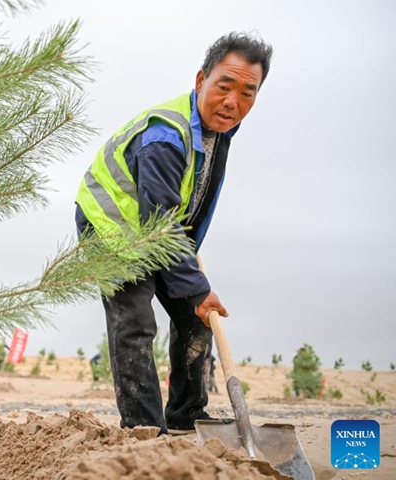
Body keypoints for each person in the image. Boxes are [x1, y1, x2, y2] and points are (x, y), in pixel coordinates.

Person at [74, 32, 272, 434]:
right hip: (112, 229)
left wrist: (194, 288)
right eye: (224, 86)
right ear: (201, 80)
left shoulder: (217, 133)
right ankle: (143, 428)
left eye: (248, 93)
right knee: (135, 322)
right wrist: (197, 286)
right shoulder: (166, 137)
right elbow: (161, 220)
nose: (234, 102)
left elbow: (183, 208)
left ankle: (186, 415)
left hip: (161, 230)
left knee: (198, 318)